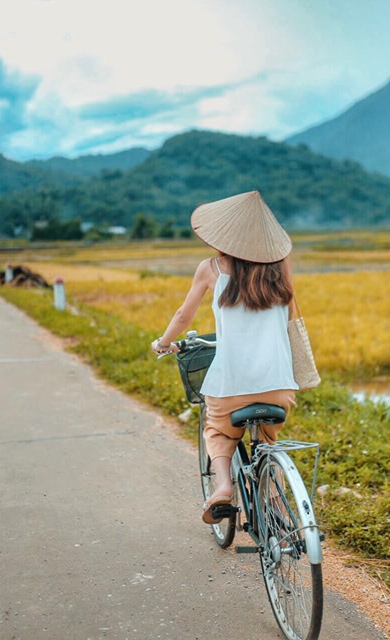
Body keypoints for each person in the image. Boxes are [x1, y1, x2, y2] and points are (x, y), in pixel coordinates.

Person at [151, 191, 299, 524]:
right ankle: (276, 506)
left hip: (232, 383)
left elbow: (183, 316)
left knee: (218, 430)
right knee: (268, 440)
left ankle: (221, 488)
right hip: (279, 383)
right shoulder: (279, 270)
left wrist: (163, 342)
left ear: (225, 235)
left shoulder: (211, 268)